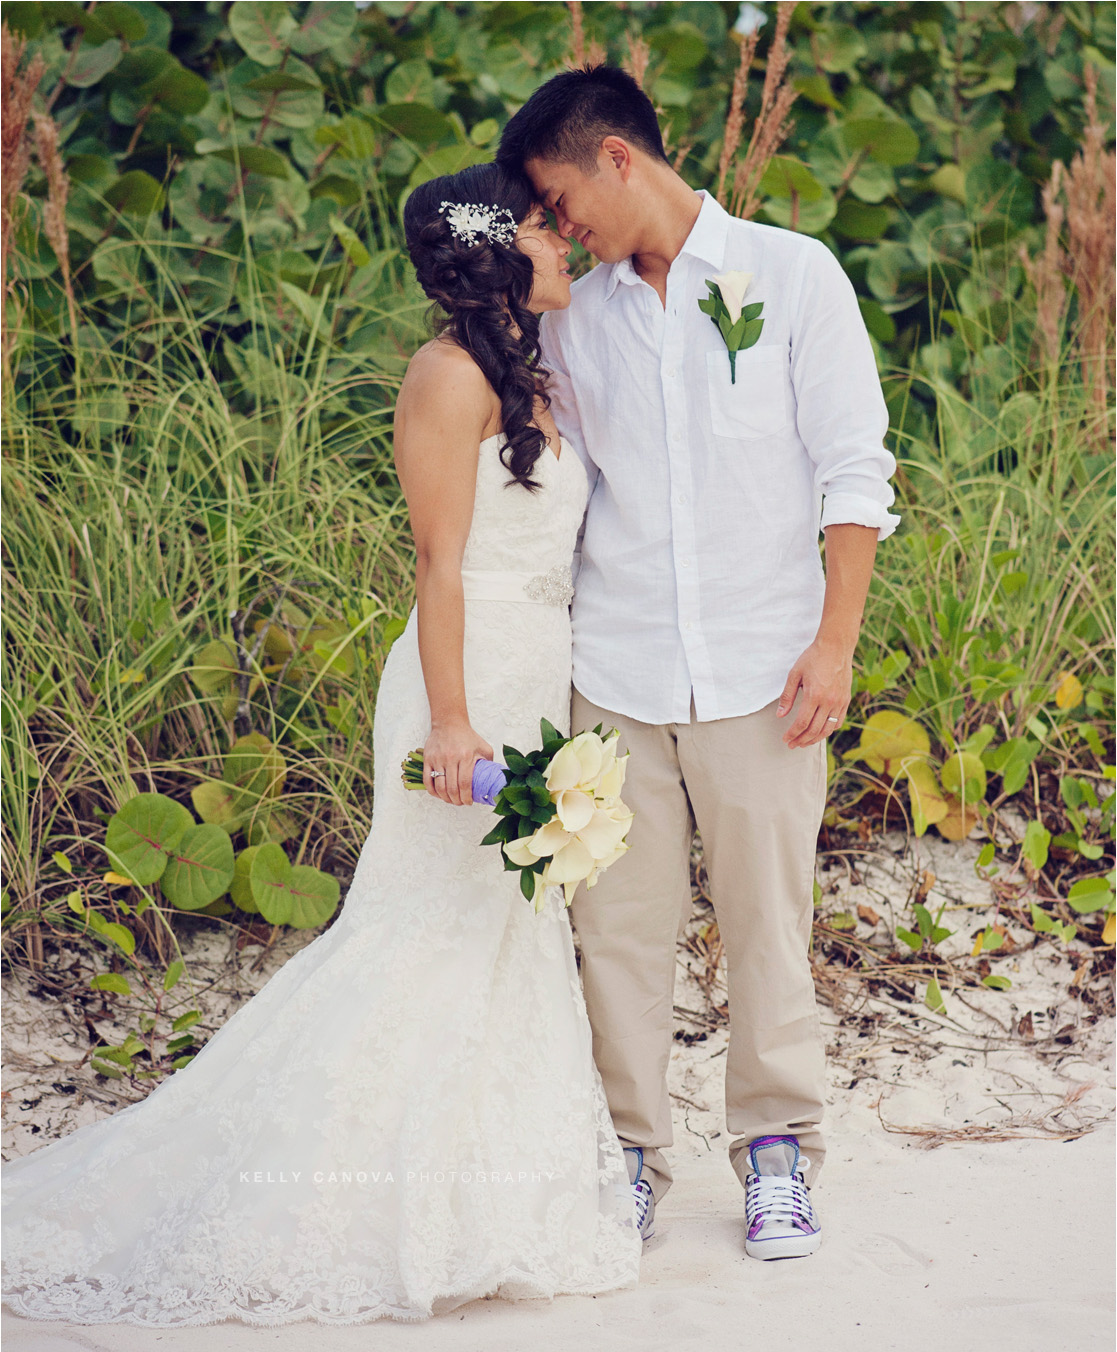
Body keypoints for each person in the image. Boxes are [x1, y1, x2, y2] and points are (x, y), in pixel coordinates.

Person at [0, 161, 641, 1327]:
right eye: (547, 230)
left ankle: (482, 1197)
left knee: (505, 926)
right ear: (501, 251)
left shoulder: (538, 370)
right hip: (465, 678)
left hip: (537, 670)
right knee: (420, 927)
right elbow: (439, 563)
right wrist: (451, 721)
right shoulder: (447, 378)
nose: (567, 243)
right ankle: (349, 1196)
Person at [498, 64, 902, 1259]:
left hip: (761, 670)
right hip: (614, 670)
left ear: (618, 158)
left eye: (561, 197)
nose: (560, 224)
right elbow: (551, 475)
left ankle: (776, 1150)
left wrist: (835, 643)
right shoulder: (577, 310)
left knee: (767, 921)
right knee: (616, 929)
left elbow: (854, 470)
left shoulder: (790, 274)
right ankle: (628, 1153)